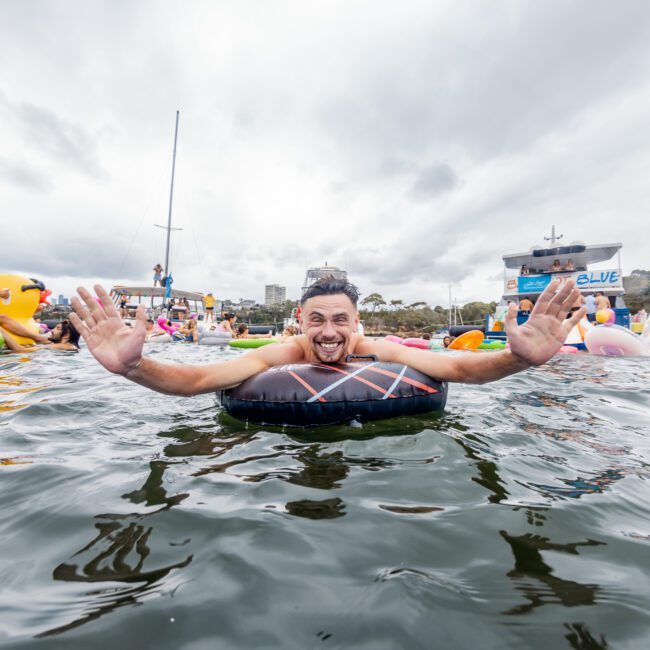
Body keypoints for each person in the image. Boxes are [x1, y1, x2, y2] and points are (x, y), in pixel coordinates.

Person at [70, 276, 587, 398]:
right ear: (300, 319)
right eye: (317, 320)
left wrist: (520, 360)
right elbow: (200, 376)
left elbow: (459, 369)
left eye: (341, 320)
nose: (330, 332)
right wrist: (132, 367)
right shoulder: (284, 351)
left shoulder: (375, 349)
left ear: (356, 322)